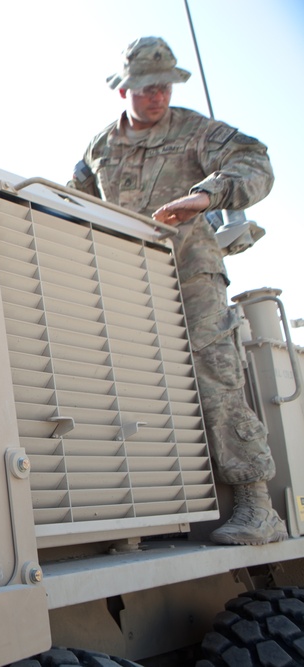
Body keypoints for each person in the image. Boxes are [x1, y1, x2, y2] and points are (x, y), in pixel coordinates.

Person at [69, 36, 284, 546]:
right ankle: (133, 510)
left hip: (191, 274)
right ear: (125, 91)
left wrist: (206, 194)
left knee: (215, 376)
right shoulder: (100, 148)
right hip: (124, 281)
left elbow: (255, 160)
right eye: (146, 88)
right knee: (124, 382)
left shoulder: (194, 131)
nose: (156, 97)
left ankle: (257, 504)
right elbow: (77, 204)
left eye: (163, 86)